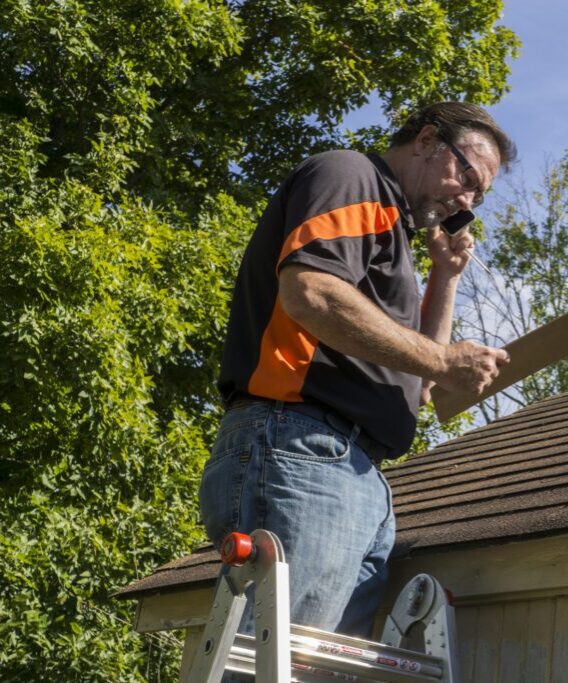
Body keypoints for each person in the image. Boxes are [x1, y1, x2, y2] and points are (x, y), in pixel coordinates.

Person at [198, 102, 516, 640]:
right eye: (466, 176)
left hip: (353, 472)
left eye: (478, 196)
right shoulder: (351, 175)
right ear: (427, 140)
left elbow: (419, 390)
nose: (466, 199)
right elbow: (311, 294)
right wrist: (443, 358)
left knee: (309, 668)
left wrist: (445, 278)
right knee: (280, 663)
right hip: (302, 447)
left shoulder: (395, 234)